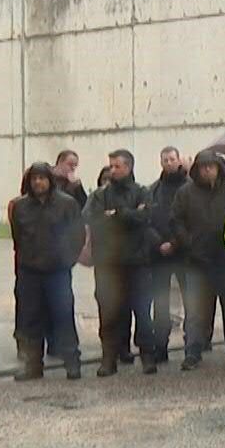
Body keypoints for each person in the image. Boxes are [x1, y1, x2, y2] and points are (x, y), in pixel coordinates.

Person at [9, 162, 85, 380]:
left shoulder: (67, 204)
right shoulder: (20, 207)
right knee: (29, 319)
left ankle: (72, 362)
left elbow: (77, 235)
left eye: (42, 178)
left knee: (63, 316)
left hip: (57, 272)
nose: (38, 182)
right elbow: (17, 238)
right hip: (29, 273)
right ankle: (32, 365)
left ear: (50, 180)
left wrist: (67, 260)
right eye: (34, 179)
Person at [85, 150, 158, 376]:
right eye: (111, 166)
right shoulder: (99, 195)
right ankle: (109, 358)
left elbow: (145, 218)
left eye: (117, 166)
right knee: (109, 313)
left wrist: (117, 214)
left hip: (137, 263)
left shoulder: (142, 192)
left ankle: (147, 355)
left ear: (128, 167)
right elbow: (92, 220)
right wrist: (128, 216)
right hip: (108, 265)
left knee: (143, 313)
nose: (112, 170)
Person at [173, 149, 225, 370]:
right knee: (196, 311)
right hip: (197, 261)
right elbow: (176, 221)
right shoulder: (185, 192)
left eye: (211, 166)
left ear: (219, 167)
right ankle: (192, 351)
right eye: (203, 166)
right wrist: (188, 243)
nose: (207, 170)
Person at [147, 146, 191, 364]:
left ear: (179, 160)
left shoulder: (189, 188)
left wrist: (175, 243)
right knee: (161, 304)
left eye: (172, 159)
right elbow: (147, 221)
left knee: (190, 302)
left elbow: (192, 221)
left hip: (184, 253)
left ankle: (192, 348)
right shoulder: (153, 190)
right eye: (165, 159)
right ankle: (160, 347)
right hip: (159, 254)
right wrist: (159, 243)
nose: (168, 163)